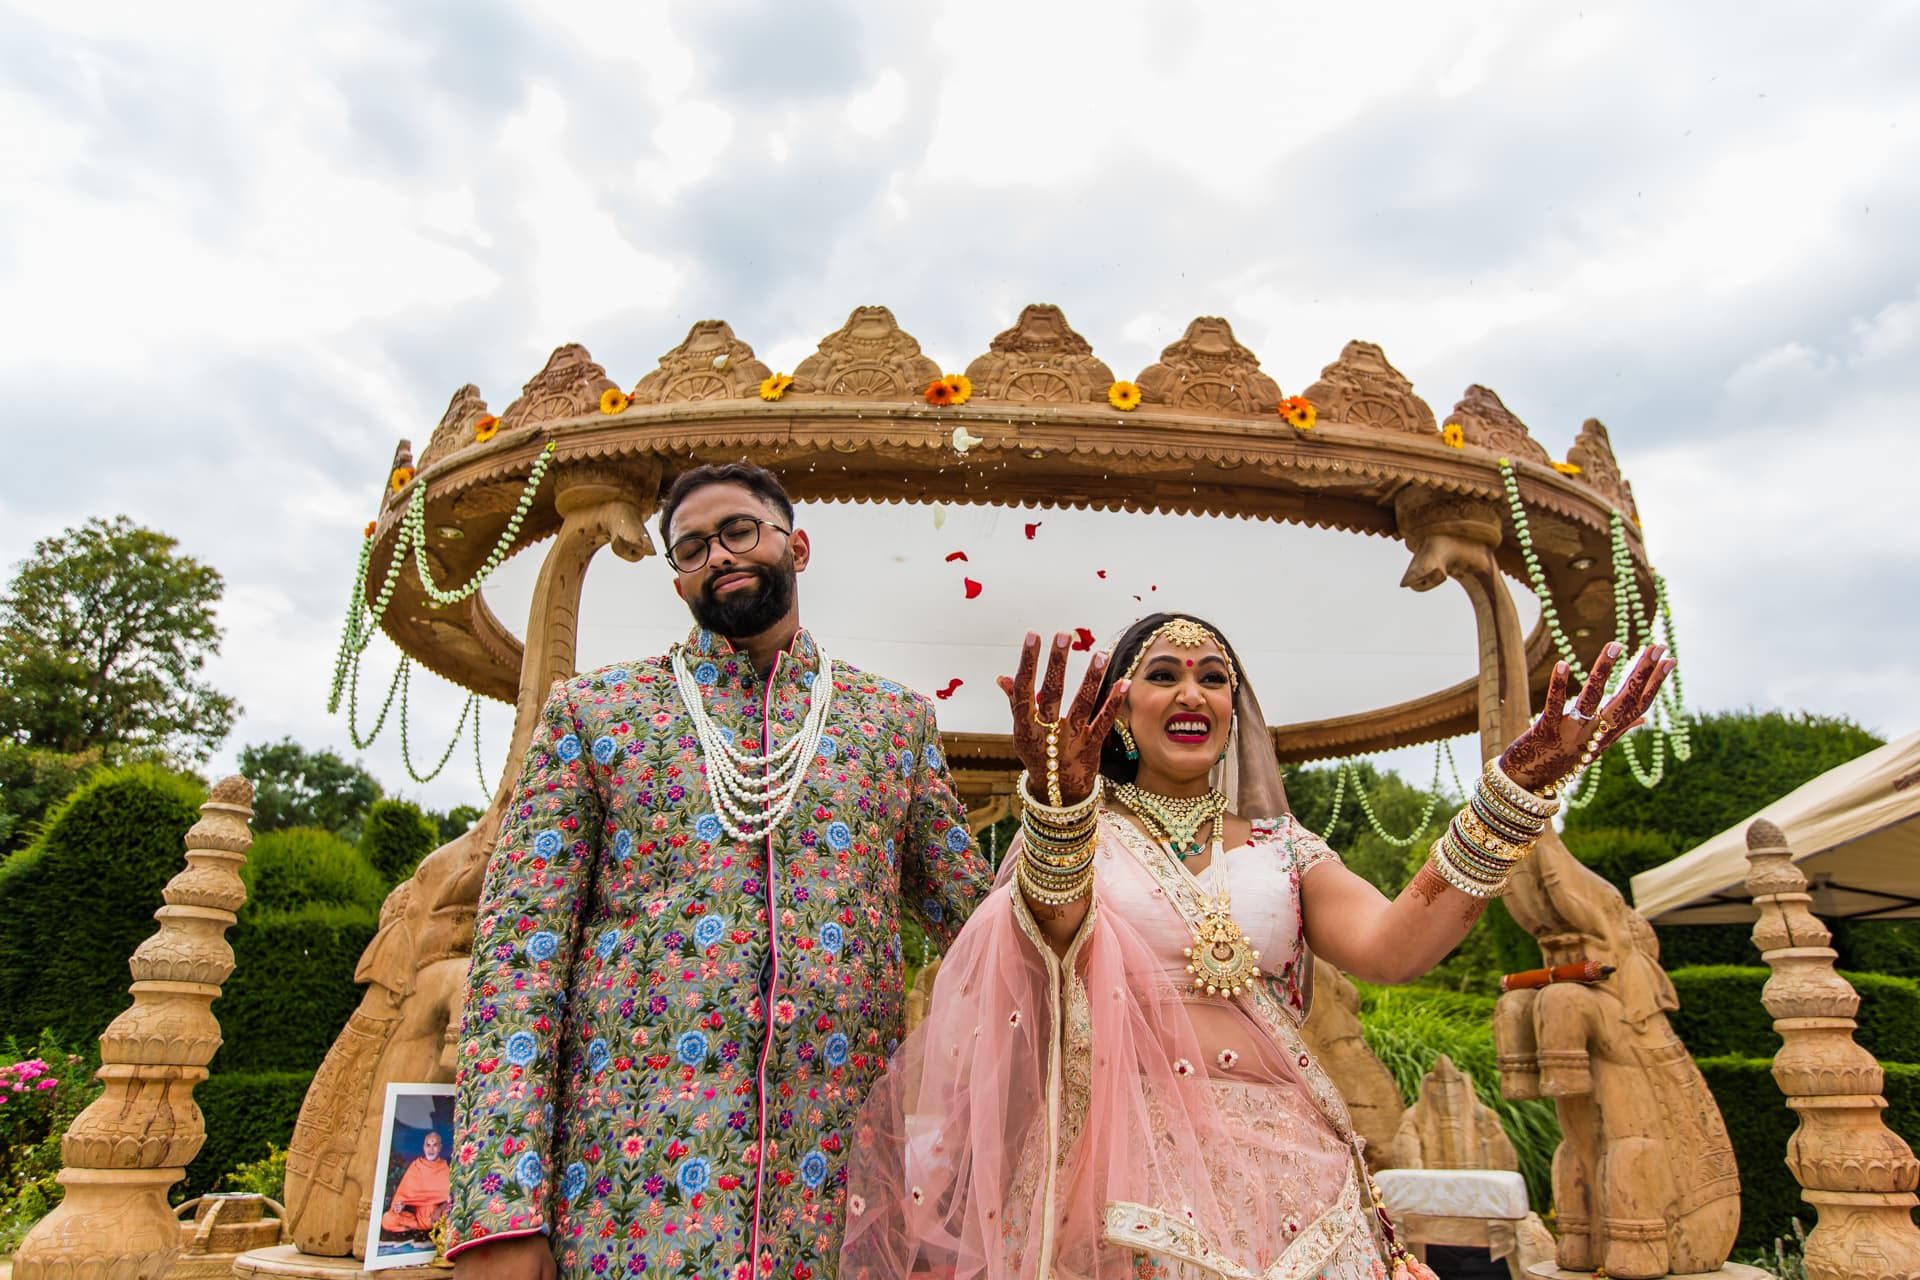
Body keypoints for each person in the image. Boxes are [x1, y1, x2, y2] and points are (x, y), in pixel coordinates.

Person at [842, 613, 1672, 1280]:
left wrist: (1512, 798)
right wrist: (1061, 812)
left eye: (1212, 677)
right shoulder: (1077, 833)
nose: (1190, 690)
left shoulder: (1284, 847)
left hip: (1293, 1173)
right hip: (1118, 1175)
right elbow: (1050, 937)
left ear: (1235, 710)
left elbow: (1393, 947)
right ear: (1120, 710)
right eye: (1162, 675)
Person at [445, 462, 994, 1280]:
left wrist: (1073, 817)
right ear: (678, 582)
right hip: (630, 1190)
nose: (719, 555)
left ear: (796, 547)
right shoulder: (598, 714)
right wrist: (499, 1210)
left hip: (843, 1185)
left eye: (740, 531)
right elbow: (518, 961)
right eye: (692, 547)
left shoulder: (892, 723)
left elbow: (982, 925)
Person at [381, 1130, 452, 1237]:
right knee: (387, 1219)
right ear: (424, 1147)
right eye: (428, 1145)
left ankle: (418, 1230)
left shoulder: (445, 1168)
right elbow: (405, 1196)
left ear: (440, 1148)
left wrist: (438, 1211)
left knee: (449, 1214)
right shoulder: (416, 1166)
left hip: (436, 1215)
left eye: (435, 1145)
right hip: (416, 1217)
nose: (431, 1149)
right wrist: (400, 1206)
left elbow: (451, 1197)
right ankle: (416, 1229)